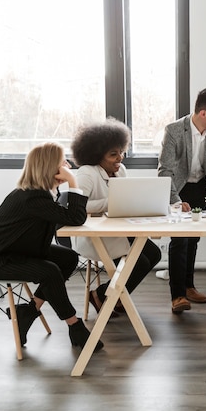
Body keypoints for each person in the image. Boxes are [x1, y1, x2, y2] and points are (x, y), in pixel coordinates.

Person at [0, 142, 103, 352]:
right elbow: (76, 218)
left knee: (68, 258)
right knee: (50, 271)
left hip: (14, 250)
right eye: (63, 162)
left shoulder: (37, 193)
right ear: (50, 167)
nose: (67, 166)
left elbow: (67, 218)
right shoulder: (32, 197)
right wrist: (73, 182)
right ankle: (74, 324)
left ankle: (29, 312)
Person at [70, 119, 161, 315]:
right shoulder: (87, 174)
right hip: (94, 236)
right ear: (96, 156)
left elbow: (122, 201)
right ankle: (106, 296)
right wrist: (110, 202)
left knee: (154, 254)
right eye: (113, 154)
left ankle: (110, 297)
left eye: (121, 152)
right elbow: (77, 207)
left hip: (118, 230)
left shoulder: (121, 171)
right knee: (141, 261)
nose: (120, 158)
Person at [158, 87, 206, 314]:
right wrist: (175, 201)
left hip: (199, 186)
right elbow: (165, 170)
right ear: (203, 114)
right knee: (180, 240)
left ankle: (189, 287)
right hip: (178, 187)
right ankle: (177, 295)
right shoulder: (174, 131)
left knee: (193, 239)